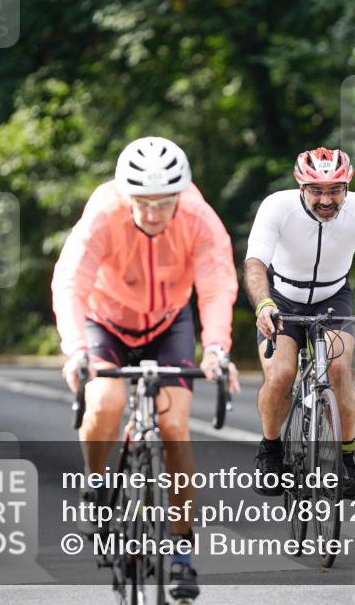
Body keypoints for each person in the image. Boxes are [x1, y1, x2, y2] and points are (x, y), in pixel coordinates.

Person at [51, 136, 239, 600]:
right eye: (143, 203)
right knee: (105, 401)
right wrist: (76, 349)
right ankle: (96, 485)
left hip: (168, 322)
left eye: (164, 202)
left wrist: (216, 348)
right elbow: (71, 282)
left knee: (174, 426)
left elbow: (216, 286)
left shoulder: (199, 218)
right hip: (106, 321)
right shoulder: (103, 213)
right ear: (126, 194)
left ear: (181, 194)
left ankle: (182, 552)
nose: (154, 214)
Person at [244, 147, 355, 499]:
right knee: (281, 374)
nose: (326, 199)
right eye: (316, 190)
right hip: (281, 297)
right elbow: (255, 264)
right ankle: (270, 451)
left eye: (335, 190)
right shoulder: (276, 207)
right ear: (301, 187)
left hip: (333, 297)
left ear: (347, 186)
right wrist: (264, 305)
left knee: (339, 369)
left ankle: (347, 461)